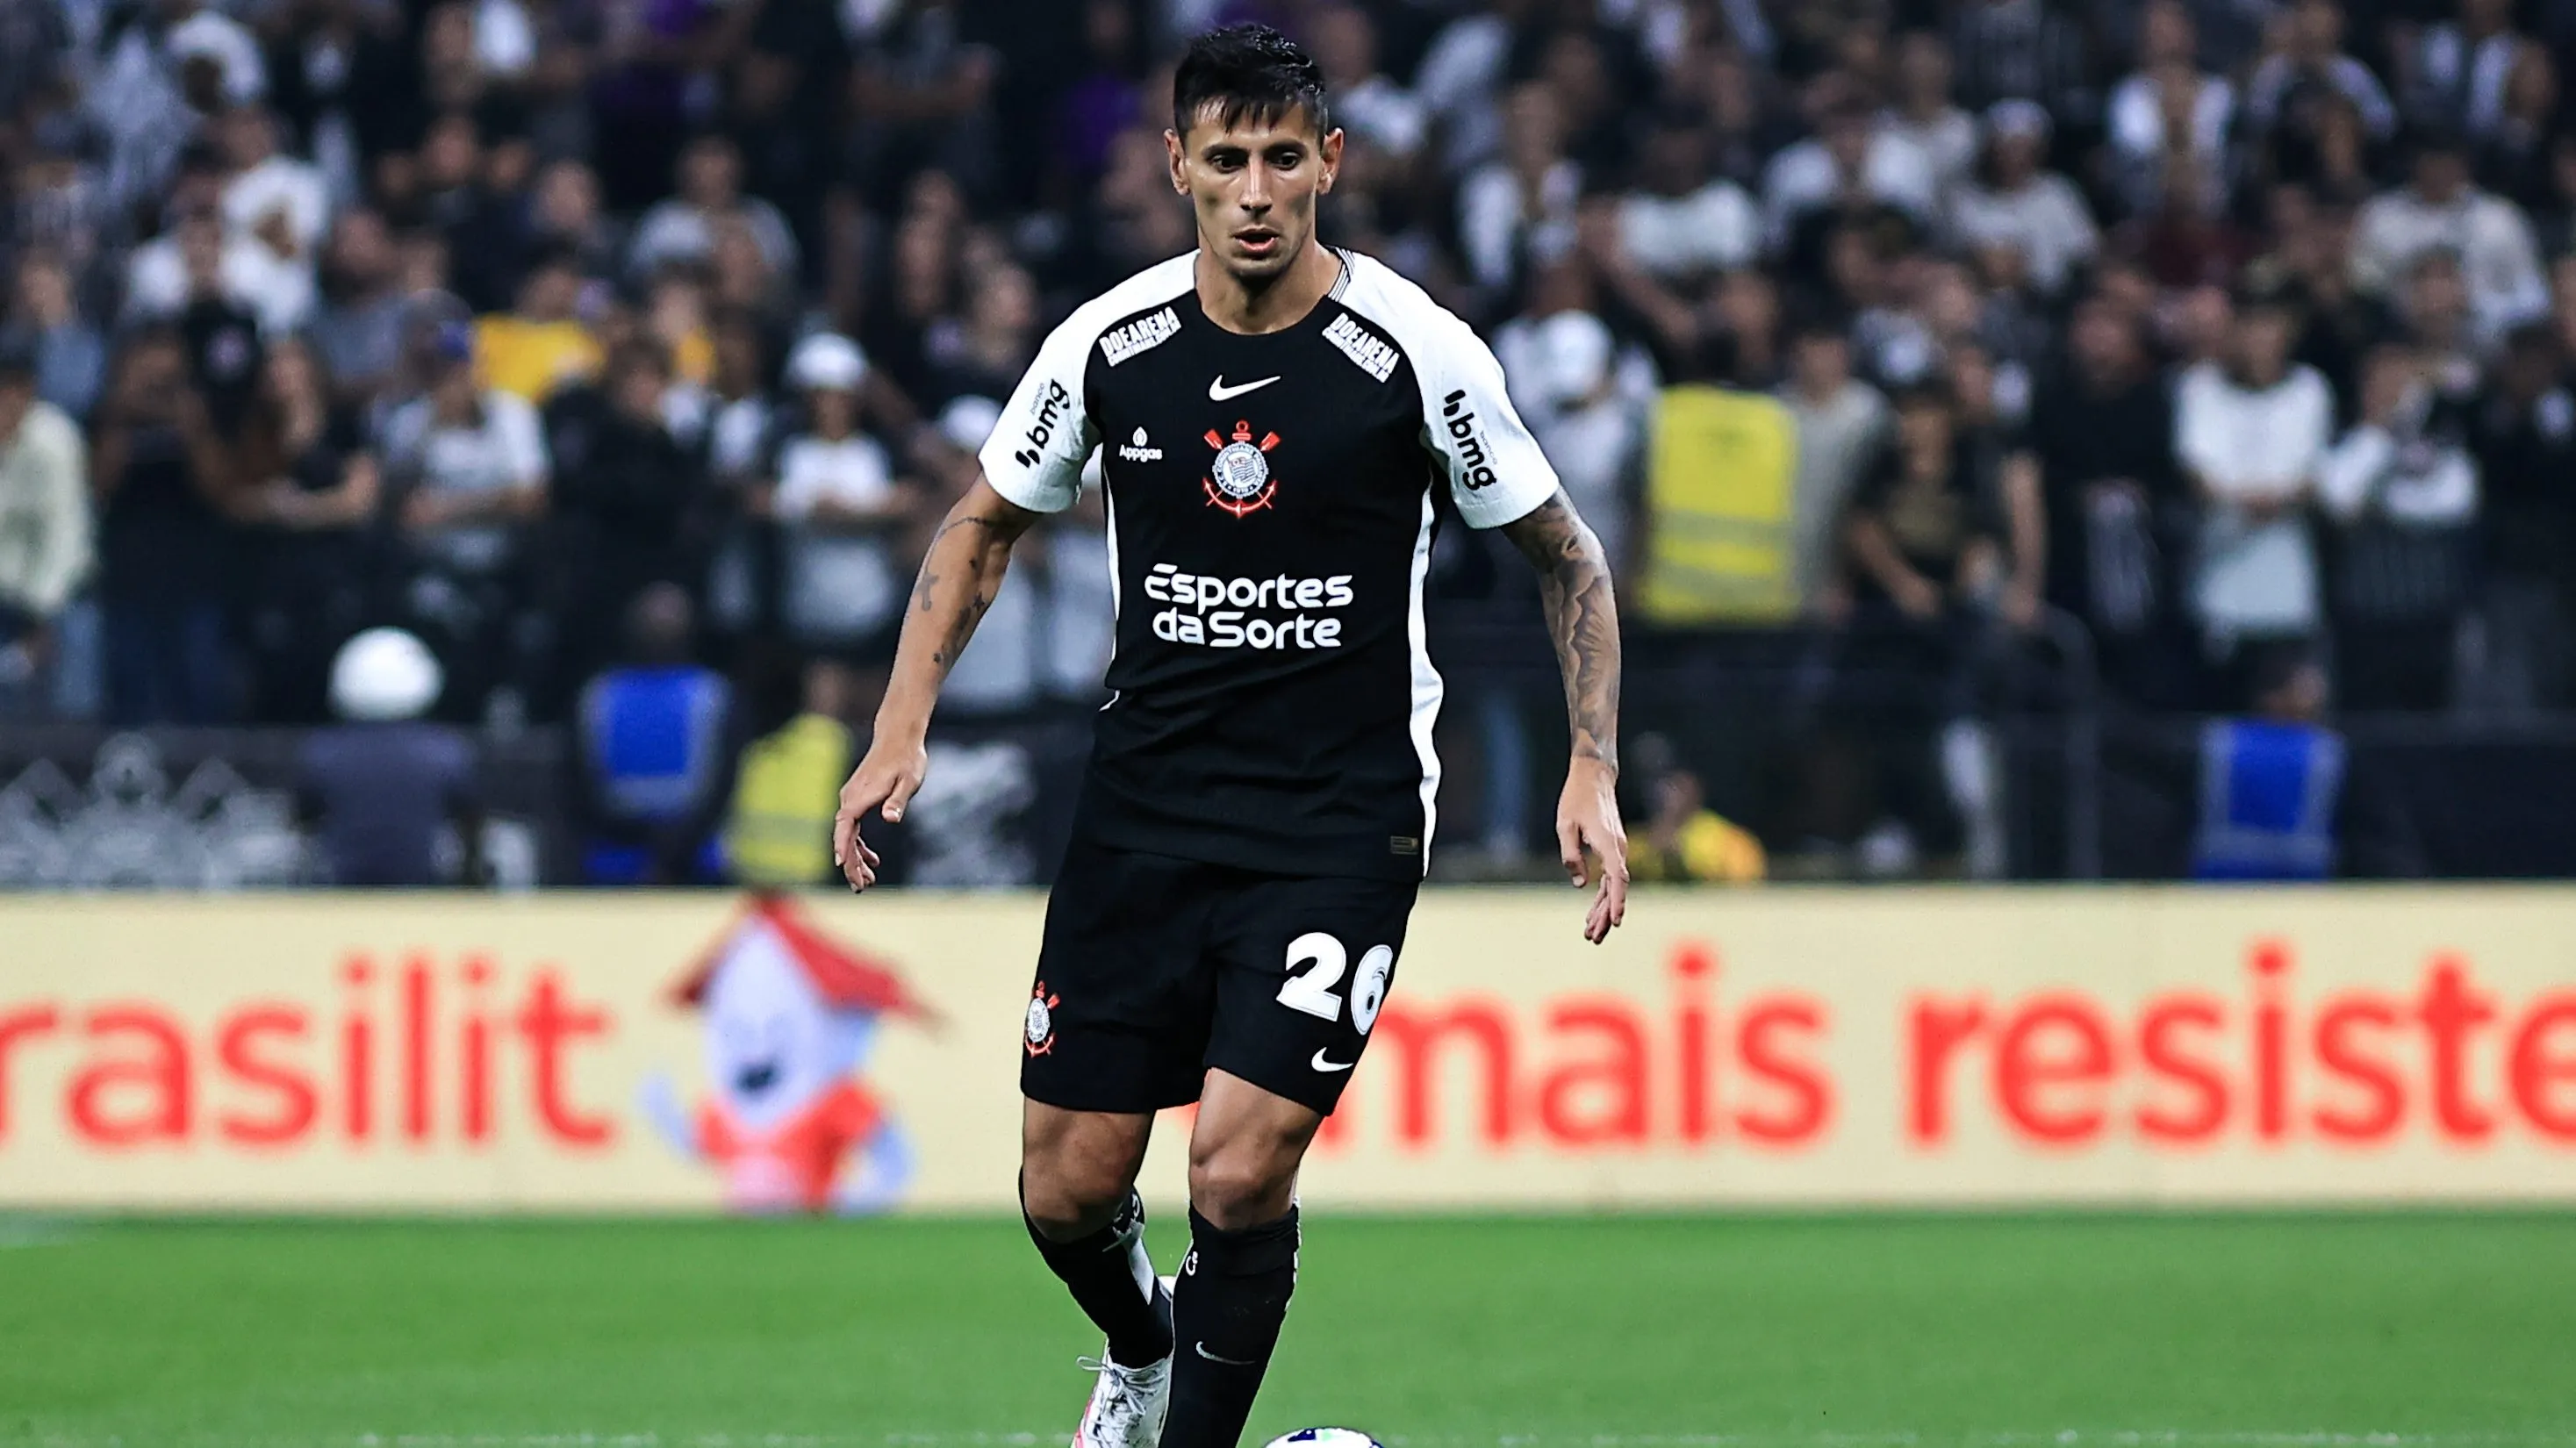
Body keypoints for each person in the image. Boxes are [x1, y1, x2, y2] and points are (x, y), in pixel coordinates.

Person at [829, 26, 1626, 1448]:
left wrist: (1593, 767)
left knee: (1237, 1174)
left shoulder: (1416, 354)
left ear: (1330, 162)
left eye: (1280, 158)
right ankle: (1138, 1353)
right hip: (1145, 807)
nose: (1253, 190)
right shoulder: (1111, 346)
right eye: (1225, 160)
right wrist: (899, 728)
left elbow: (1569, 558)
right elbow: (982, 523)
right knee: (1066, 1191)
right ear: (1175, 167)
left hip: (1338, 818)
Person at [297, 627, 484, 887]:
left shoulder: (323, 752)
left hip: (341, 898)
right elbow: (471, 830)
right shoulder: (445, 751)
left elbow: (303, 827)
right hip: (424, 896)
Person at [0, 335, 92, 716]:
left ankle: (70, 756)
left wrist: (39, 621)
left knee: (76, 637)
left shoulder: (55, 440)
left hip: (48, 599)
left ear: (29, 391)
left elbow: (64, 538)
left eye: (13, 390)